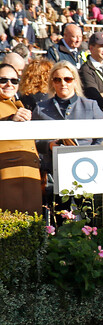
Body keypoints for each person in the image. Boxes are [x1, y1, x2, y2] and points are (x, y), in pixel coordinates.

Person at [32, 61, 103, 180]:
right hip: (53, 171)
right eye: (57, 80)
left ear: (75, 81)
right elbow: (33, 141)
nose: (63, 83)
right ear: (52, 82)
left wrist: (90, 153)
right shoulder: (41, 108)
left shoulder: (90, 105)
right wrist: (49, 145)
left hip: (88, 170)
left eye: (68, 79)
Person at [0, 63, 41, 215]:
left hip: (29, 175)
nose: (9, 84)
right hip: (9, 179)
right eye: (3, 80)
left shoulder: (17, 103)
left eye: (14, 80)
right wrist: (10, 119)